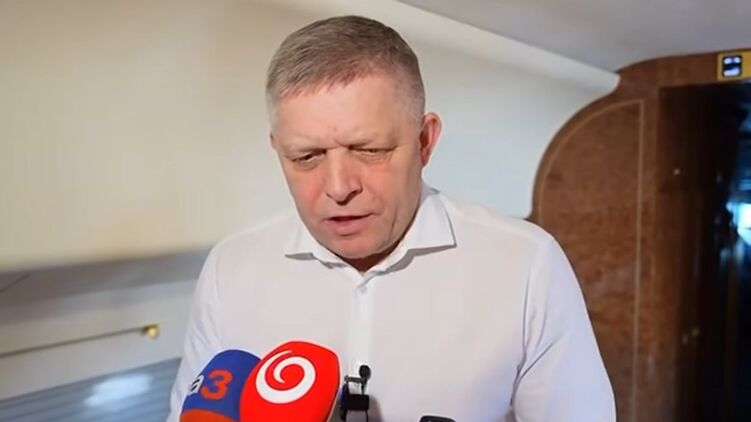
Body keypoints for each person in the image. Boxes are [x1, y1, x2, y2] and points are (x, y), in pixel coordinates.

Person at [167, 15, 615, 421]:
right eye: (306, 156)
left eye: (370, 150)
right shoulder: (231, 267)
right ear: (277, 149)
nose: (338, 187)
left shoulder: (527, 265)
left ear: (424, 141)